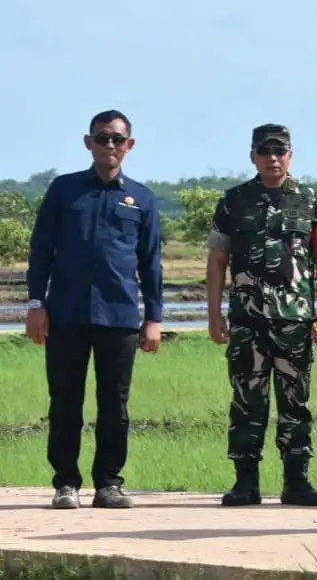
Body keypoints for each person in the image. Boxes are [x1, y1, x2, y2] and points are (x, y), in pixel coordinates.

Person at [25, 109, 164, 510]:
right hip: (65, 314)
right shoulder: (64, 191)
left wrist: (153, 317)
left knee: (114, 404)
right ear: (88, 142)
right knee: (65, 401)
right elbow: (41, 253)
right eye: (102, 138)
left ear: (129, 145)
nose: (110, 146)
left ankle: (109, 484)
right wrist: (36, 304)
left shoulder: (142, 199)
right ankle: (66, 483)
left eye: (117, 139)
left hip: (118, 316)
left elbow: (151, 263)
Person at [204, 124, 317, 508]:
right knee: (247, 401)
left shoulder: (312, 200)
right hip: (247, 322)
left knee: (295, 402)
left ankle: (297, 481)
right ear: (253, 156)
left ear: (291, 155)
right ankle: (245, 483)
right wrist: (214, 314)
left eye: (280, 151)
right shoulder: (234, 200)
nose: (273, 158)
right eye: (265, 151)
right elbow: (217, 260)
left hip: (295, 322)